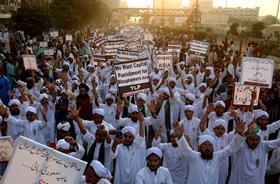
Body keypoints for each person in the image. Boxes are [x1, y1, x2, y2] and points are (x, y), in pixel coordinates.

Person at [173, 116, 245, 184]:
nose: (208, 148)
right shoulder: (194, 156)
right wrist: (180, 136)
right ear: (200, 147)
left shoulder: (216, 157)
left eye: (210, 145)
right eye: (205, 145)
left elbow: (231, 148)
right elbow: (186, 149)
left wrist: (240, 134)